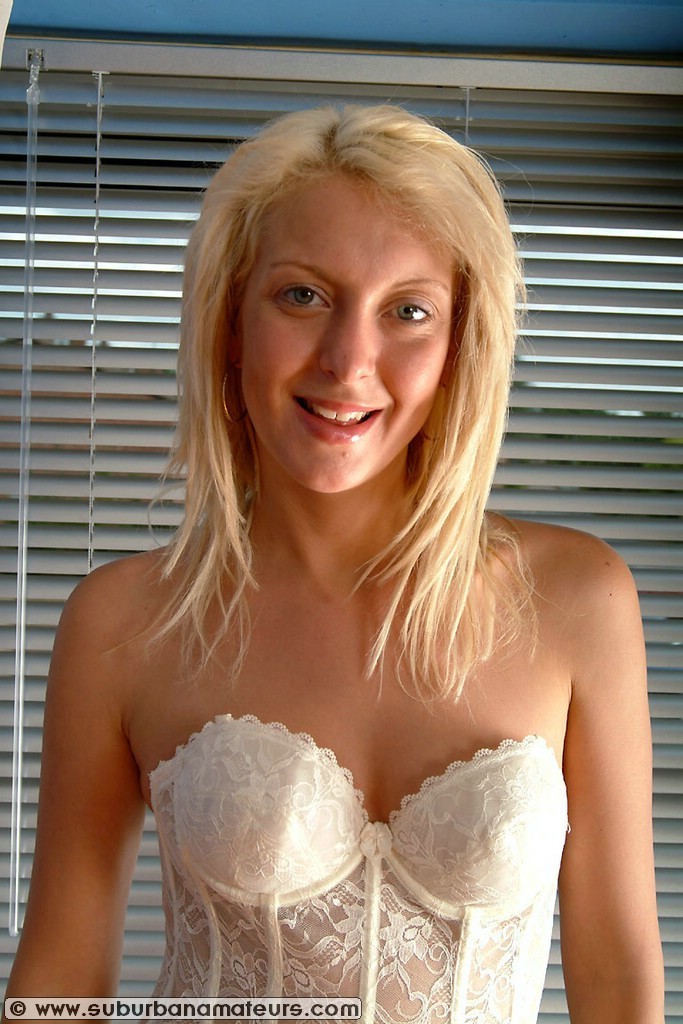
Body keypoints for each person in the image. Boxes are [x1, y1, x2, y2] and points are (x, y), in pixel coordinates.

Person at [6, 104, 664, 1023]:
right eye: (302, 296)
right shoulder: (122, 622)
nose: (349, 360)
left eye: (408, 311)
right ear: (230, 322)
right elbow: (60, 982)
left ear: (457, 350)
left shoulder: (576, 600)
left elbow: (617, 980)